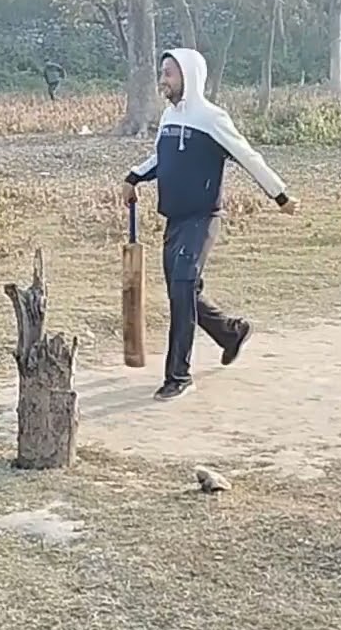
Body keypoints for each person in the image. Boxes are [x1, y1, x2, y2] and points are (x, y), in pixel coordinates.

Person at [121, 48, 299, 401]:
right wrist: (133, 177)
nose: (162, 80)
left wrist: (280, 195)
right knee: (183, 293)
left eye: (169, 73)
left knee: (182, 287)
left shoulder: (212, 118)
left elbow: (248, 156)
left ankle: (178, 375)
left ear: (188, 76)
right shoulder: (169, 117)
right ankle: (231, 333)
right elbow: (161, 158)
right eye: (162, 72)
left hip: (202, 219)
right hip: (174, 219)